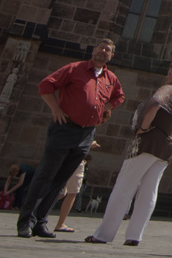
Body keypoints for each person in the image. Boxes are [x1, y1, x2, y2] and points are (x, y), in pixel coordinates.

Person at [15, 39, 124, 239]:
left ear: (111, 56)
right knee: (44, 176)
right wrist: (55, 108)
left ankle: (41, 221)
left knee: (60, 181)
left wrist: (104, 110)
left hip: (86, 134)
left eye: (107, 50)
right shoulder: (75, 69)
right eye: (100, 47)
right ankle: (25, 221)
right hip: (64, 129)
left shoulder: (111, 78)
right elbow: (45, 85)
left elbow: (119, 97)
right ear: (94, 50)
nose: (103, 51)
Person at [87, 61, 172, 246]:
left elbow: (155, 103)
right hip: (167, 145)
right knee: (149, 190)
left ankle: (104, 234)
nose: (166, 77)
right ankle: (135, 235)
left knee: (124, 186)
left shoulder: (170, 89)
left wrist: (143, 127)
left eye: (169, 73)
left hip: (149, 141)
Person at [53, 141, 99, 232]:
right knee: (71, 192)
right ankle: (60, 223)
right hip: (76, 160)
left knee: (60, 193)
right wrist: (90, 144)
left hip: (64, 157)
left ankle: (35, 213)